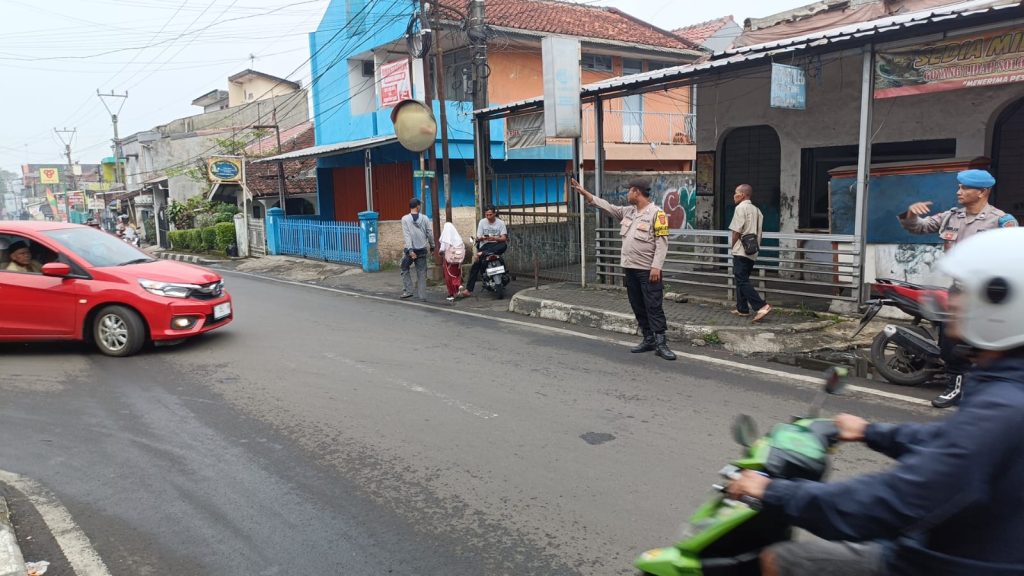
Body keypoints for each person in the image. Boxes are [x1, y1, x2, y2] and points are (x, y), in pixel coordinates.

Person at [727, 227, 1024, 576]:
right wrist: (870, 431)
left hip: (942, 562)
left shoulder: (1003, 407)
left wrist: (773, 491)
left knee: (784, 560)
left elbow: (896, 501)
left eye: (961, 291)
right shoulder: (1003, 387)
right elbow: (950, 444)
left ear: (1001, 301)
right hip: (957, 547)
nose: (951, 300)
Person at [898, 168, 1018, 408]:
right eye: (959, 187)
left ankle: (988, 390)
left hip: (987, 295)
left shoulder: (1002, 221)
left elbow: (1014, 256)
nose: (959, 192)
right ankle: (954, 388)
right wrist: (910, 213)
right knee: (951, 345)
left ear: (982, 192)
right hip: (958, 291)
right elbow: (918, 227)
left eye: (965, 188)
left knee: (986, 344)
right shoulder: (950, 217)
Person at [571, 177, 676, 361]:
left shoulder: (656, 214)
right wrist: (585, 193)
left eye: (629, 191)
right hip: (630, 269)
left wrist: (656, 267)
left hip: (648, 270)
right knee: (637, 305)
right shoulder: (628, 212)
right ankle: (648, 338)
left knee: (653, 306)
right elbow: (607, 206)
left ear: (637, 192)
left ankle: (661, 343)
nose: (627, 194)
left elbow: (662, 243)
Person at [729, 184, 771, 322]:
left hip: (741, 249)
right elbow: (760, 232)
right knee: (743, 279)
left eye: (736, 193)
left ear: (742, 195)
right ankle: (742, 308)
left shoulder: (740, 208)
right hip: (752, 250)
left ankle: (762, 306)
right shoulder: (757, 210)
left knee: (741, 279)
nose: (734, 195)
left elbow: (736, 231)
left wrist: (732, 246)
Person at [460, 206, 508, 298]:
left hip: (497, 245)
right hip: (485, 245)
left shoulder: (500, 223)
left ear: (494, 214)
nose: (488, 217)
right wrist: (482, 238)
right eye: (487, 215)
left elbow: (504, 238)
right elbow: (478, 237)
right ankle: (469, 290)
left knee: (504, 245)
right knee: (475, 266)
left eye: (490, 214)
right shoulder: (482, 222)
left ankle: (484, 254)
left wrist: (494, 238)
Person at [400, 198, 434, 301]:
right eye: (420, 205)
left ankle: (409, 290)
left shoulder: (405, 219)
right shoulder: (425, 218)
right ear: (418, 206)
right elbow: (429, 233)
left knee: (404, 268)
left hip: (410, 250)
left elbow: (407, 235)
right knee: (422, 272)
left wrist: (410, 250)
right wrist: (432, 246)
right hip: (422, 249)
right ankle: (422, 296)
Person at [438, 222, 466, 303]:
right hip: (458, 261)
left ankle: (451, 294)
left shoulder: (446, 239)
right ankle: (458, 286)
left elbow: (442, 249)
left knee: (449, 277)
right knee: (457, 274)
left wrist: (440, 253)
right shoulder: (458, 238)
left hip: (449, 261)